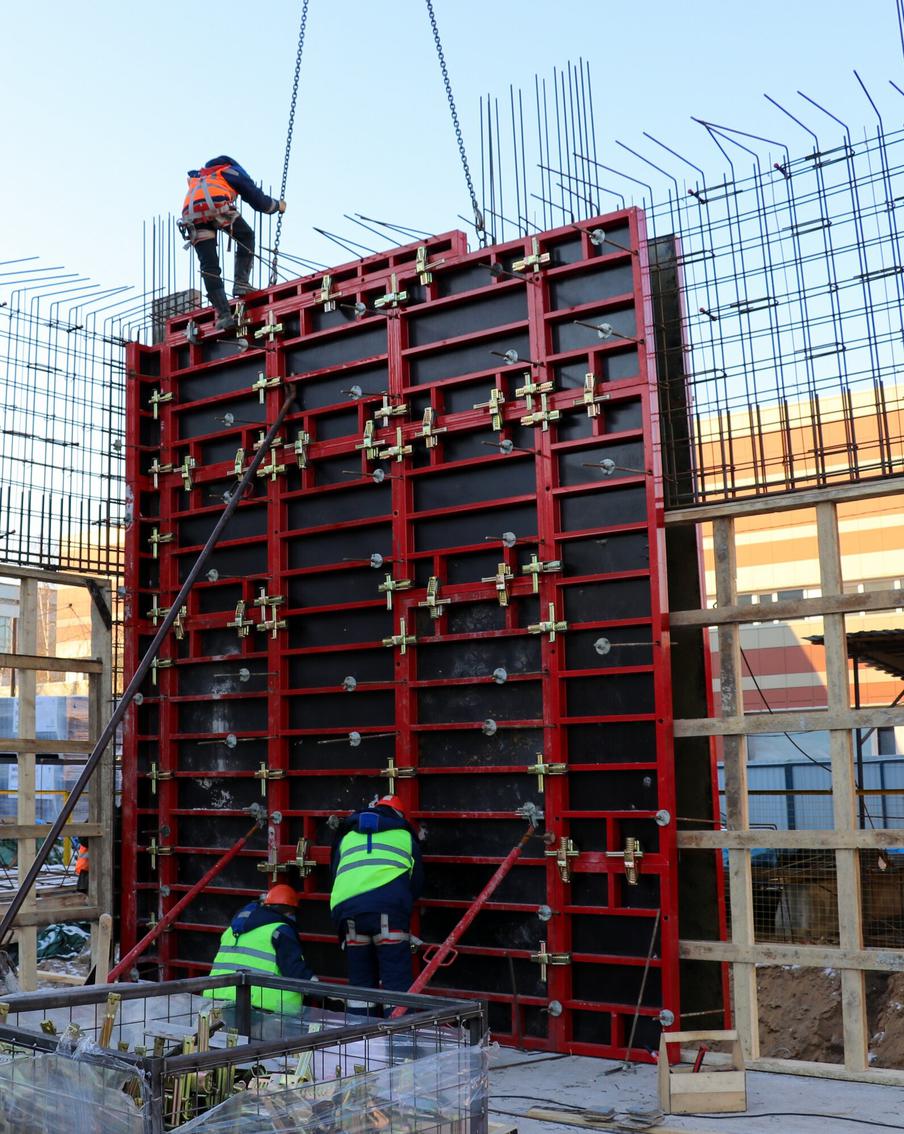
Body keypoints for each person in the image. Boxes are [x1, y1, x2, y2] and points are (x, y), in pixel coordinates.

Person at [329, 794, 423, 1010]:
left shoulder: (347, 837)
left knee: (360, 988)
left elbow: (336, 875)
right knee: (396, 985)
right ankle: (399, 1037)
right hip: (388, 912)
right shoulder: (404, 836)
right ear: (399, 815)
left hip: (349, 912)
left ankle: (360, 1038)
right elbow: (416, 881)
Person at [179, 156, 286, 331]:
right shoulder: (230, 171)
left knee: (209, 266)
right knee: (245, 236)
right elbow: (259, 202)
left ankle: (223, 315)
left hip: (191, 216)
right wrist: (278, 206)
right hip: (216, 205)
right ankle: (241, 283)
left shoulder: (199, 177)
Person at [204, 884, 317, 1026]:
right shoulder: (280, 930)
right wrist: (321, 989)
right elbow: (295, 970)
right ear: (289, 912)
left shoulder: (231, 930)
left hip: (218, 999)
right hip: (261, 1007)